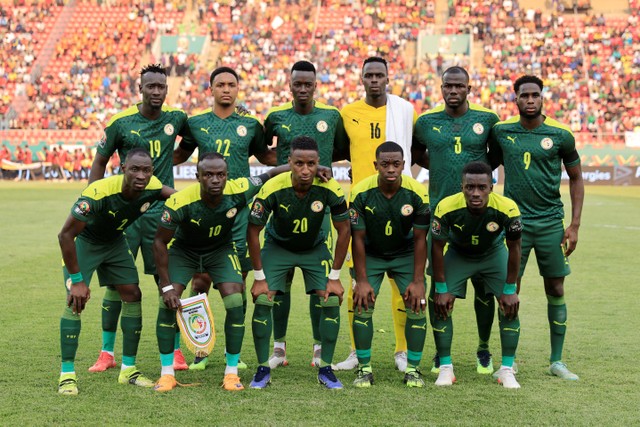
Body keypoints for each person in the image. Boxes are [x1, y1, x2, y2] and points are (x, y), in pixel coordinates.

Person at [152, 152, 290, 392]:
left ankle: (231, 372)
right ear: (197, 177)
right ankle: (166, 374)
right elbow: (159, 242)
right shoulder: (179, 202)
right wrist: (165, 286)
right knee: (167, 302)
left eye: (220, 175)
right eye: (208, 175)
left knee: (236, 300)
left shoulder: (238, 190)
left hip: (220, 250)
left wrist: (317, 166)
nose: (215, 180)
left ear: (227, 176)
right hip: (184, 251)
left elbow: (270, 173)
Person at [88, 64, 191, 374]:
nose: (156, 91)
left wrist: (173, 162)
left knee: (167, 282)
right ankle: (107, 352)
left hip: (162, 213)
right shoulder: (121, 123)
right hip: (126, 214)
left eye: (161, 86)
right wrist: (95, 201)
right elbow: (100, 161)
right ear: (141, 89)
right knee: (116, 284)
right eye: (151, 87)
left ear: (166, 89)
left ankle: (174, 350)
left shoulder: (176, 119)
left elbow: (189, 145)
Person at [173, 66, 275, 370]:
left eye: (232, 84)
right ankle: (200, 348)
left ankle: (235, 352)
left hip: (240, 211)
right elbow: (178, 155)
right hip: (205, 211)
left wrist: (302, 160)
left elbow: (267, 157)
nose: (226, 89)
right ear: (211, 89)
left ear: (238, 89)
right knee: (201, 279)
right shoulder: (196, 124)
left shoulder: (250, 124)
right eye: (221, 84)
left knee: (238, 281)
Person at [489, 75, 584, 381]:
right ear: (515, 99)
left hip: (550, 224)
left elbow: (577, 178)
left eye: (535, 95)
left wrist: (574, 224)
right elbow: (483, 165)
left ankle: (557, 361)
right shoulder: (501, 132)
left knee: (555, 288)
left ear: (543, 98)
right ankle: (508, 362)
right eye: (524, 95)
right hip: (513, 225)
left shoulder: (560, 135)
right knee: (509, 290)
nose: (530, 100)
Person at [57, 148, 174, 395]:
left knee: (132, 293)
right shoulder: (98, 193)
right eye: (135, 169)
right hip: (85, 243)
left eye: (146, 170)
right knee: (75, 300)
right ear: (123, 169)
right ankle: (67, 374)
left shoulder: (153, 186)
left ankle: (128, 370)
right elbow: (65, 234)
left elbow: (180, 199)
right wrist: (77, 280)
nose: (141, 175)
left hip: (114, 242)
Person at [413, 66, 501, 375]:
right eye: (448, 86)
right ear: (441, 88)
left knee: (485, 289)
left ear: (469, 88)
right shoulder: (426, 123)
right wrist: (437, 163)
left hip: (480, 215)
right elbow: (415, 154)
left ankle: (483, 348)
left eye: (459, 86)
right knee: (440, 286)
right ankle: (441, 353)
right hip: (441, 215)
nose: (453, 91)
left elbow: (498, 155)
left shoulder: (486, 120)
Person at [262, 60, 349, 369]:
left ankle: (317, 347)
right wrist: (289, 169)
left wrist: (318, 168)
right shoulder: (276, 117)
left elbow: (340, 150)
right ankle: (279, 349)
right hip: (285, 202)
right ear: (290, 84)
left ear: (315, 85)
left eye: (307, 84)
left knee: (319, 287)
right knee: (280, 283)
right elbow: (262, 150)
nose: (302, 88)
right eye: (297, 83)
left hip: (318, 206)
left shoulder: (330, 116)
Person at [247, 136, 351, 389]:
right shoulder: (273, 187)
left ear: (319, 164)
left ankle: (325, 368)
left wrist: (335, 276)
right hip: (278, 246)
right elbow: (252, 231)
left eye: (311, 164)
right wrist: (259, 278)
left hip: (314, 248)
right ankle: (262, 369)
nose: (305, 170)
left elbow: (345, 229)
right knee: (263, 298)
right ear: (289, 162)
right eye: (299, 164)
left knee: (331, 298)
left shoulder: (330, 187)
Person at [335, 56, 417, 372]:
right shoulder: (349, 113)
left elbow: (417, 151)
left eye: (379, 75)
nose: (373, 80)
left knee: (402, 283)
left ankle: (402, 351)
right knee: (358, 281)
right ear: (361, 78)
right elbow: (339, 150)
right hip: (362, 208)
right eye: (368, 74)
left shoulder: (404, 111)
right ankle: (357, 352)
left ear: (387, 78)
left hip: (399, 208)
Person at [431, 161, 523, 389]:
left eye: (482, 187)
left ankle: (507, 369)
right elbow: (436, 247)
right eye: (469, 187)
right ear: (461, 186)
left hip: (492, 254)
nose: (475, 193)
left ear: (491, 186)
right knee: (440, 302)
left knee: (509, 304)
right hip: (459, 254)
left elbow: (515, 248)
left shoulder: (508, 208)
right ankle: (445, 367)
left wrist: (510, 289)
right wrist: (441, 289)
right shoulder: (445, 207)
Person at [349, 142, 429, 388]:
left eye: (396, 164)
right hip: (371, 254)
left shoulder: (418, 193)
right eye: (385, 164)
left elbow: (420, 239)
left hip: (405, 254)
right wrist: (361, 281)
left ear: (404, 165)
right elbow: (357, 238)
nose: (391, 169)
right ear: (376, 166)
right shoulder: (360, 192)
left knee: (417, 305)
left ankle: (413, 370)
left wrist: (417, 281)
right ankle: (364, 369)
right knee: (362, 304)